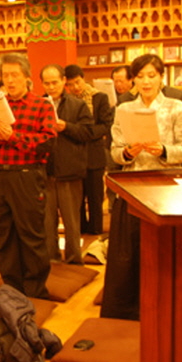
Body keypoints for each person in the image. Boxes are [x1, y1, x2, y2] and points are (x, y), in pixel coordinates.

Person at [101, 54, 182, 321]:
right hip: (132, 187)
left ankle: (165, 305)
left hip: (166, 188)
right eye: (140, 76)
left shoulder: (176, 107)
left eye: (151, 76)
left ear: (161, 78)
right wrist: (127, 153)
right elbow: (115, 151)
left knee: (163, 250)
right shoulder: (124, 109)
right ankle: (129, 309)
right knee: (130, 251)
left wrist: (163, 150)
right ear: (134, 80)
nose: (146, 81)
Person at [0, 54, 57, 298]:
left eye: (15, 75)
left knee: (31, 234)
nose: (10, 81)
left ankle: (35, 289)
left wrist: (13, 137)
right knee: (5, 234)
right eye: (5, 76)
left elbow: (47, 143)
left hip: (27, 176)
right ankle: (11, 286)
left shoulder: (41, 105)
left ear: (27, 77)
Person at [40, 64, 93, 265]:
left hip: (70, 170)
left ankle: (74, 260)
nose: (51, 87)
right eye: (47, 83)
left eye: (55, 82)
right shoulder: (39, 104)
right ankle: (51, 259)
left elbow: (88, 133)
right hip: (45, 171)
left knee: (71, 222)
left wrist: (66, 127)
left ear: (64, 81)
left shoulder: (77, 105)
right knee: (47, 222)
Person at [65, 64, 113, 236]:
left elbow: (106, 125)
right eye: (70, 84)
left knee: (95, 198)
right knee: (77, 199)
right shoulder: (67, 101)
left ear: (83, 79)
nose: (75, 87)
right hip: (74, 156)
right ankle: (80, 231)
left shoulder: (99, 97)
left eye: (77, 82)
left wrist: (85, 132)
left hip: (94, 155)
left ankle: (96, 232)